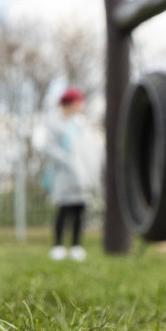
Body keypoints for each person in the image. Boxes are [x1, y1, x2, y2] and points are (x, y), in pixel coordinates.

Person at [43, 87, 102, 261]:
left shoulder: (81, 124)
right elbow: (50, 147)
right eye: (78, 102)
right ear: (71, 103)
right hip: (64, 174)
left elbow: (90, 148)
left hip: (83, 173)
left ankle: (76, 246)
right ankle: (58, 246)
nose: (80, 106)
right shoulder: (54, 123)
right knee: (64, 209)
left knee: (79, 210)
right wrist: (67, 161)